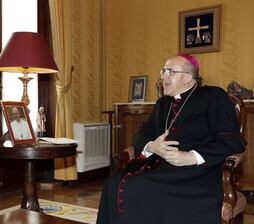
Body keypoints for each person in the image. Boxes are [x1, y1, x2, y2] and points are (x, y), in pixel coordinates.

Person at [97, 54, 245, 224]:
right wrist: (152, 146)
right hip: (160, 168)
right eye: (162, 70)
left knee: (137, 187)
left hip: (197, 173)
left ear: (188, 78)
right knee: (113, 183)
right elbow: (141, 133)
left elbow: (230, 139)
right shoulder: (163, 104)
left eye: (170, 71)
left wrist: (191, 156)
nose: (162, 76)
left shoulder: (212, 96)